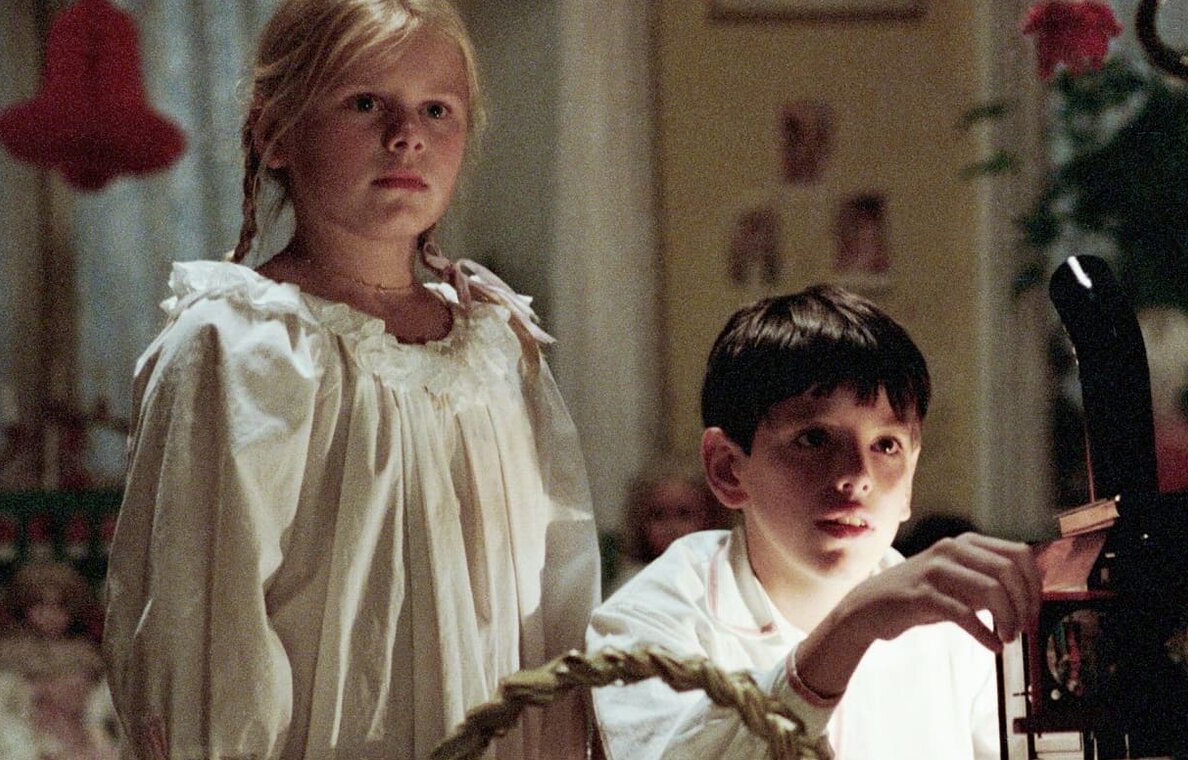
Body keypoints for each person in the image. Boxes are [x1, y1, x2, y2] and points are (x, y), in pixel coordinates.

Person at [103, 1, 598, 758]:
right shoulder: (242, 346)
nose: (407, 135)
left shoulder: (496, 345)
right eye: (366, 103)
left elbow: (557, 588)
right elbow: (206, 623)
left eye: (437, 110)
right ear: (275, 134)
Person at [590, 284, 1043, 759]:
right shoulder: (648, 620)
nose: (857, 477)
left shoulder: (959, 632)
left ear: (909, 479)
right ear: (727, 469)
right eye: (814, 439)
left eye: (886, 445)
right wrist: (851, 626)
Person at [609, 457, 726, 592]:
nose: (671, 528)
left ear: (709, 519)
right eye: (658, 515)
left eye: (684, 515)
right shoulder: (632, 582)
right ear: (640, 522)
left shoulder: (724, 576)